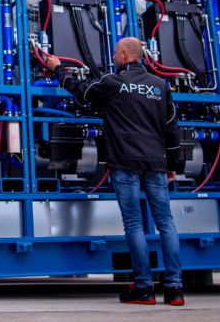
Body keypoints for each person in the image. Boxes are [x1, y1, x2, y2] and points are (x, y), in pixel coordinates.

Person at [46, 37, 185, 306]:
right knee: (166, 223)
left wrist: (58, 68)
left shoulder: (114, 82)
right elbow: (172, 129)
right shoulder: (160, 86)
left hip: (124, 162)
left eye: (115, 52)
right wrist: (173, 165)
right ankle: (175, 288)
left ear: (124, 54)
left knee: (133, 224)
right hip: (156, 163)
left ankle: (144, 288)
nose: (113, 56)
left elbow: (81, 90)